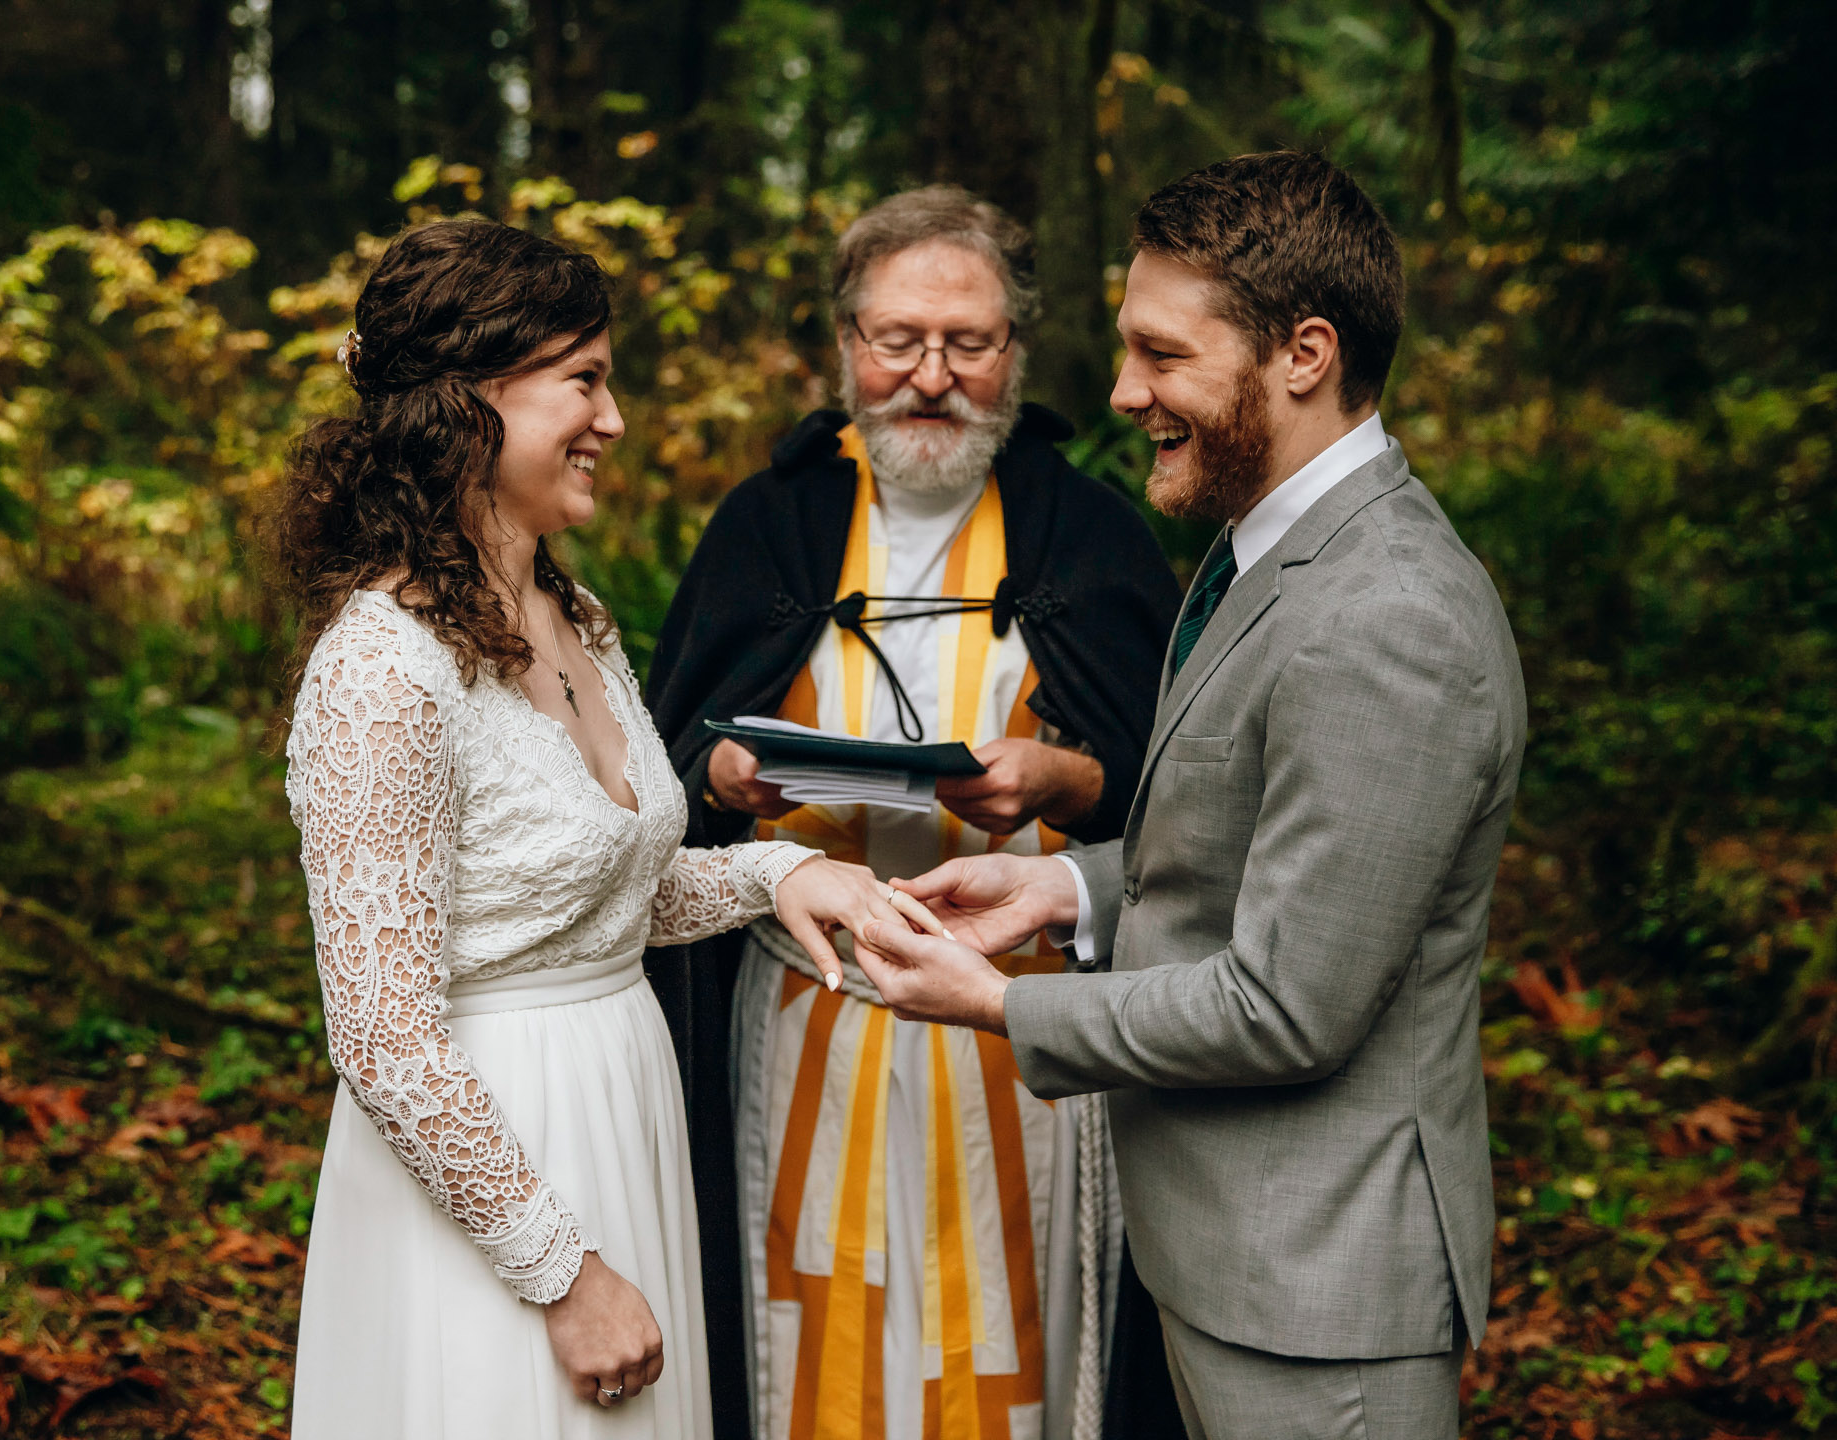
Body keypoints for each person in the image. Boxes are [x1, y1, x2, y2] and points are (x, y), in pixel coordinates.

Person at [854, 151, 1528, 1440]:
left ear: (1304, 354)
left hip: (1325, 1303)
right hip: (1231, 1256)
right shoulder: (1259, 549)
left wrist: (1001, 1004)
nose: (1123, 393)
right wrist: (1059, 883)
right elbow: (1247, 844)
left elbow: (1288, 1006)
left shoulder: (1389, 616)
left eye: (1161, 355)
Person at [275, 218, 911, 1440]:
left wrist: (784, 873)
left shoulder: (577, 613)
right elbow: (382, 1035)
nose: (613, 419)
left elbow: (605, 893)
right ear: (466, 406)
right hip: (493, 1170)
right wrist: (561, 1273)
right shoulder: (381, 670)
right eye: (584, 379)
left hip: (624, 1107)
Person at [645, 187, 1181, 1440]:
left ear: (1018, 355)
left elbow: (1181, 787)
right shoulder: (765, 525)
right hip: (804, 1020)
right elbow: (662, 761)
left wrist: (1071, 781)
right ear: (846, 347)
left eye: (968, 343)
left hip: (1022, 1028)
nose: (929, 376)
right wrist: (722, 781)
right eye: (897, 340)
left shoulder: (1089, 532)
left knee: (1009, 1336)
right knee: (807, 1330)